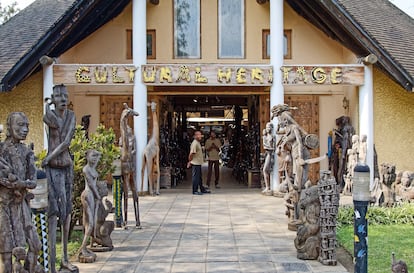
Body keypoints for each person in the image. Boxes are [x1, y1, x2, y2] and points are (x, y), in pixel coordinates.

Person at [42, 84, 78, 273]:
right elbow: (49, 120)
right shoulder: (51, 116)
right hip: (53, 170)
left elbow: (66, 142)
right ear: (53, 98)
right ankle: (52, 261)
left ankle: (64, 257)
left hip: (66, 166)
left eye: (65, 96)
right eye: (58, 96)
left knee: (67, 210)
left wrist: (49, 156)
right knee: (53, 210)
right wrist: (47, 106)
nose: (63, 99)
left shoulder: (71, 116)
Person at [0, 112, 41, 273]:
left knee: (34, 244)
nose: (25, 129)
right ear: (10, 127)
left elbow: (33, 181)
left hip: (22, 205)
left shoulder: (27, 152)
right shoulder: (2, 150)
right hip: (4, 205)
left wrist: (20, 183)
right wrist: (11, 183)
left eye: (27, 126)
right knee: (6, 252)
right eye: (20, 125)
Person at [79, 149, 101, 260]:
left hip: (93, 196)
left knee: (92, 222)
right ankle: (82, 248)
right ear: (87, 157)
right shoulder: (86, 169)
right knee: (90, 223)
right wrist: (98, 196)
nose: (95, 159)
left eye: (96, 157)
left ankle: (86, 246)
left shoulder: (92, 168)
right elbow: (91, 184)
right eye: (93, 156)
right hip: (88, 195)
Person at [187, 130, 209, 194]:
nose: (200, 136)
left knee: (199, 177)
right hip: (195, 163)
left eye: (200, 135)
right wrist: (189, 161)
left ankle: (202, 189)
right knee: (195, 177)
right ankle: (195, 190)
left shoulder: (197, 142)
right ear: (195, 136)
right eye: (199, 135)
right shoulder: (195, 143)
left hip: (198, 163)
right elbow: (191, 153)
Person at [262, 122, 276, 193]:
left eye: (269, 127)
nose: (268, 129)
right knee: (265, 170)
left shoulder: (273, 137)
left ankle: (269, 187)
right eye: (267, 127)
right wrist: (267, 147)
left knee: (266, 170)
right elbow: (264, 146)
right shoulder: (264, 137)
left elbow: (273, 147)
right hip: (267, 154)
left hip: (271, 154)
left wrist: (268, 148)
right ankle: (267, 186)